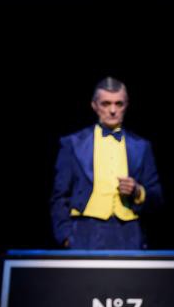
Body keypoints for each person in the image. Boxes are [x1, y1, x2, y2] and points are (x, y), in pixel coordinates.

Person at [51, 76, 164, 250]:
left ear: (126, 105)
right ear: (94, 106)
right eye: (105, 104)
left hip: (129, 233)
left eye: (119, 104)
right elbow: (59, 196)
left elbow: (157, 197)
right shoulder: (72, 144)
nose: (112, 110)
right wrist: (66, 237)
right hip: (84, 231)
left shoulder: (142, 147)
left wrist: (138, 191)